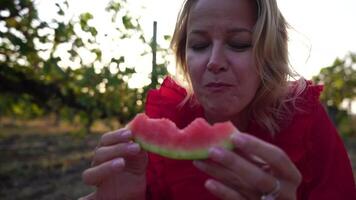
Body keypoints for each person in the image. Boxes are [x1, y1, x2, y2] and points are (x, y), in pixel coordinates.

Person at [81, 0, 356, 199]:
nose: (214, 62)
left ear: (269, 53)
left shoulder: (305, 123)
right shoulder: (165, 121)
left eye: (238, 43)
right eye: (199, 45)